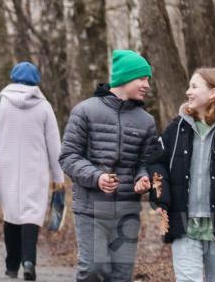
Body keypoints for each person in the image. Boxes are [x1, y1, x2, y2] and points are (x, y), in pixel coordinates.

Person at [59, 49, 156, 282]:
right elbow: (68, 157)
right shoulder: (85, 111)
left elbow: (145, 163)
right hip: (91, 209)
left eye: (148, 80)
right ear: (124, 78)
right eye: (142, 78)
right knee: (93, 268)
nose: (147, 85)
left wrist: (143, 179)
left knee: (122, 276)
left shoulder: (147, 121)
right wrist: (96, 177)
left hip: (127, 211)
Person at [150, 68, 215, 282]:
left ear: (213, 93)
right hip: (184, 222)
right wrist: (161, 200)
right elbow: (157, 164)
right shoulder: (175, 129)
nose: (188, 92)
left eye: (194, 86)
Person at [0, 62, 64, 281]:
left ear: (13, 78)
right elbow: (55, 146)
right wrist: (58, 177)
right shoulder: (44, 106)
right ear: (36, 80)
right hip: (36, 168)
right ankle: (29, 262)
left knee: (11, 213)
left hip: (5, 166)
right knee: (31, 215)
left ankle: (11, 266)